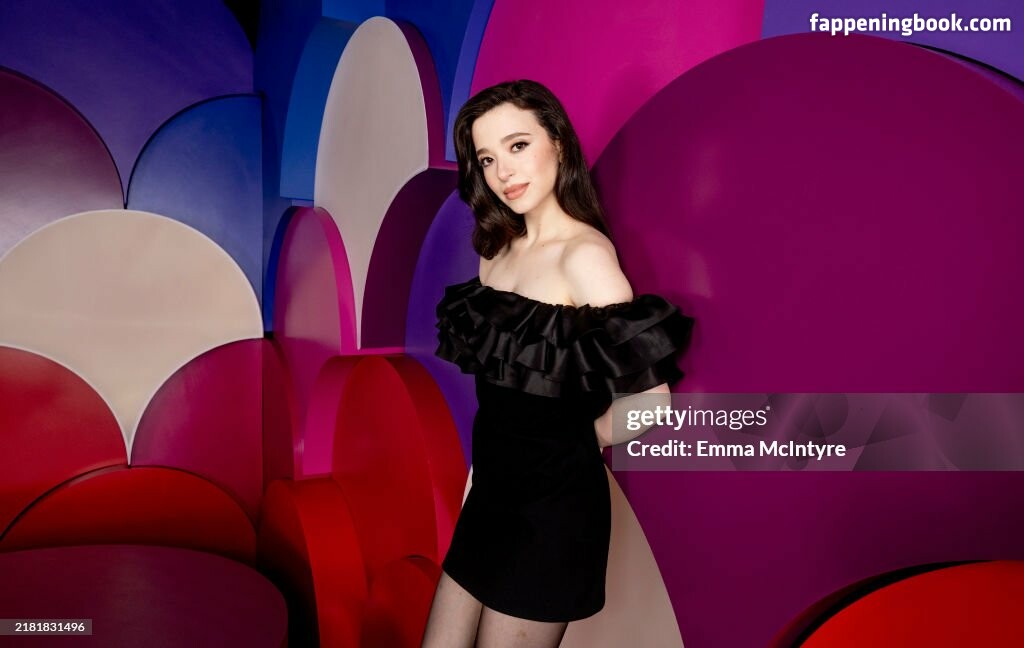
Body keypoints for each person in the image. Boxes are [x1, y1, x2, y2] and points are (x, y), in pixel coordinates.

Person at [421, 79, 693, 648]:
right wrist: (478, 478)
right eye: (487, 159)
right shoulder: (495, 251)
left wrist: (575, 443)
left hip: (553, 513)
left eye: (518, 146)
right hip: (488, 497)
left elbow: (650, 401)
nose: (503, 172)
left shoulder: (585, 257)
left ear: (559, 144)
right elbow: (503, 398)